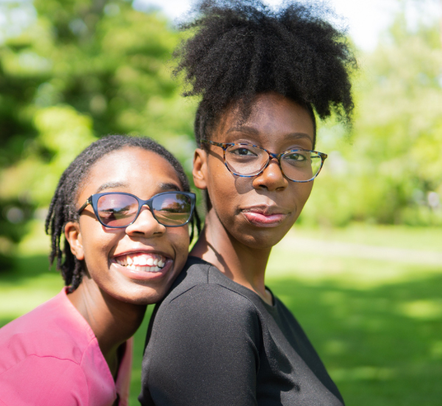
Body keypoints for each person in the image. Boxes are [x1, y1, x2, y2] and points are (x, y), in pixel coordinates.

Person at [139, 1, 355, 405]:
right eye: (243, 150)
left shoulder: (256, 298)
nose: (272, 176)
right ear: (200, 168)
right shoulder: (207, 312)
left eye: (295, 154)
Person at [0, 135, 198, 406]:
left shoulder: (114, 339)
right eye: (115, 208)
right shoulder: (53, 370)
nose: (148, 224)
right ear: (76, 239)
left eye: (170, 206)